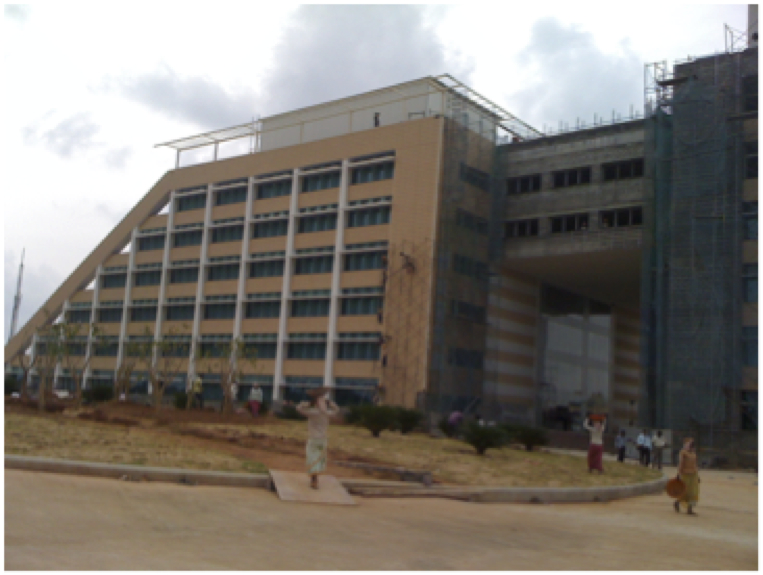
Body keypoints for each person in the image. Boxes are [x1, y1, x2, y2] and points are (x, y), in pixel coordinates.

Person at [296, 389, 340, 489]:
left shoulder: (313, 413)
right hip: (323, 439)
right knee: (319, 459)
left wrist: (306, 404)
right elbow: (337, 410)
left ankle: (314, 479)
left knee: (312, 458)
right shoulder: (327, 413)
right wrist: (331, 403)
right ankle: (315, 479)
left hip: (313, 439)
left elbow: (298, 409)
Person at [675, 437, 700, 515]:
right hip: (685, 475)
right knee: (684, 491)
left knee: (693, 492)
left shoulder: (693, 453)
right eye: (690, 443)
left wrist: (698, 476)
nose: (692, 445)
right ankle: (677, 502)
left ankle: (690, 509)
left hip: (693, 475)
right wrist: (678, 474)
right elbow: (681, 464)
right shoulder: (683, 453)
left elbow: (695, 465)